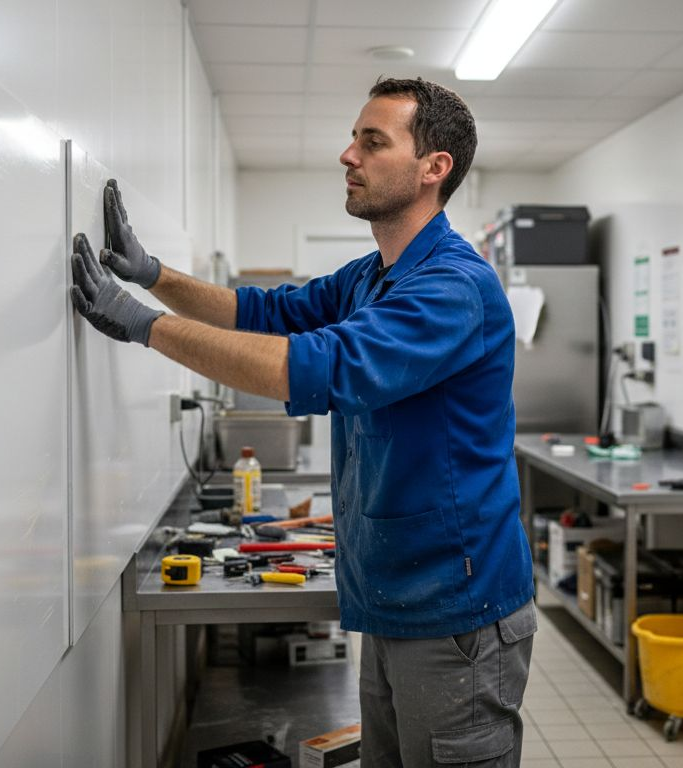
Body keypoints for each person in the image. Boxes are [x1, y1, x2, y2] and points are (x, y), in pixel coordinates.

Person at [70, 77, 536, 766]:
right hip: (396, 599)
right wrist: (154, 275)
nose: (348, 155)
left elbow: (314, 366)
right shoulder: (373, 275)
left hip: (455, 613)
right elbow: (267, 312)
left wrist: (146, 325)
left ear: (433, 168)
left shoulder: (452, 287)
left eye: (372, 142)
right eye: (353, 139)